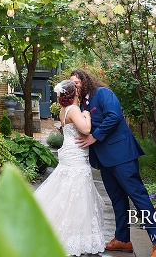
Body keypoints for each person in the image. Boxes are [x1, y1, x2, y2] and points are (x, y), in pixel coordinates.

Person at [71, 69, 156, 257]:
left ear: (85, 81)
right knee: (117, 200)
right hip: (104, 159)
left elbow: (114, 116)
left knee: (139, 197)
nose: (74, 86)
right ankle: (123, 239)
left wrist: (94, 136)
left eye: (76, 83)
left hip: (122, 155)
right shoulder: (83, 103)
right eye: (72, 84)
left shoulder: (102, 93)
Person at [34, 79, 106, 256]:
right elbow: (86, 130)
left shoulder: (63, 110)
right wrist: (87, 116)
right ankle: (71, 236)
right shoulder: (74, 110)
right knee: (76, 190)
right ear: (74, 94)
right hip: (76, 153)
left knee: (65, 189)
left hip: (68, 150)